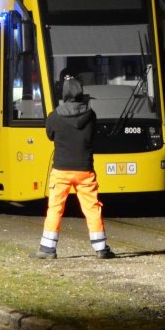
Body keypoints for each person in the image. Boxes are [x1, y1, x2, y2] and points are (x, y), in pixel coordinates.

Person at [35, 76, 115, 259]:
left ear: (64, 95)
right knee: (92, 207)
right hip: (84, 169)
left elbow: (50, 135)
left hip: (61, 169)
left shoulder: (54, 117)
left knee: (55, 207)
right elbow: (93, 136)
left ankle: (48, 249)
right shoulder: (91, 115)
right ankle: (101, 248)